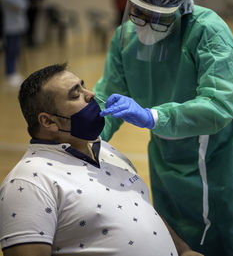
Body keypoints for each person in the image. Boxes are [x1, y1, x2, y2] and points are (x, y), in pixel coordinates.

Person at [94, 0, 233, 256]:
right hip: (166, 152)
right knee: (175, 230)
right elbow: (108, 94)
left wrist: (154, 115)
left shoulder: (207, 31)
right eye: (139, 13)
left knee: (230, 229)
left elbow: (218, 104)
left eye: (158, 19)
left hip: (222, 152)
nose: (145, 24)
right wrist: (90, 132)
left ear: (182, 10)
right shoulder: (125, 38)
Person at [0, 63, 203, 256]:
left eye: (84, 86)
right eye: (75, 94)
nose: (91, 95)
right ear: (48, 121)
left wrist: (183, 250)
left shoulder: (106, 150)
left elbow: (140, 208)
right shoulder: (28, 182)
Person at [0, 0, 29, 87]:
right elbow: (19, 4)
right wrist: (21, 3)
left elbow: (25, 2)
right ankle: (10, 73)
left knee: (17, 49)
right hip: (10, 25)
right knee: (11, 49)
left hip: (19, 24)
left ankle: (15, 71)